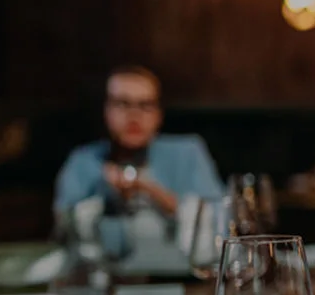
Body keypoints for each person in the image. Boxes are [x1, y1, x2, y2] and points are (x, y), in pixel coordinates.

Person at [53, 66, 224, 218]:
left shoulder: (188, 154)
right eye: (123, 104)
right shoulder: (83, 162)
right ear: (106, 111)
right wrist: (103, 192)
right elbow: (63, 227)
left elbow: (217, 220)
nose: (134, 115)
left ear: (159, 114)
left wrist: (151, 191)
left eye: (145, 105)